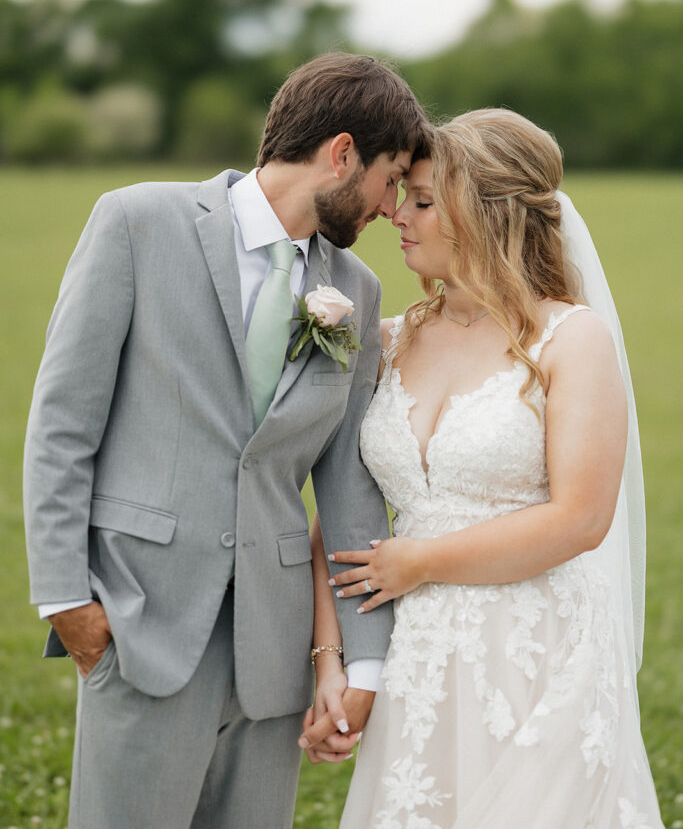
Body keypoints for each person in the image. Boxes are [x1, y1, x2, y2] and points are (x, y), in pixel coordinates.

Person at [23, 53, 432, 829]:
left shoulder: (355, 290)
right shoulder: (136, 222)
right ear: (341, 154)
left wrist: (361, 659)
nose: (388, 206)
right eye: (390, 177)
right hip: (139, 622)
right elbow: (62, 422)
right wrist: (65, 599)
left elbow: (350, 488)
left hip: (271, 652)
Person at [302, 109, 664, 827]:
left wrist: (422, 562)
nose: (398, 214)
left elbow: (581, 518)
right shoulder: (388, 340)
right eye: (405, 193)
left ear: (489, 215)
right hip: (420, 657)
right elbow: (338, 514)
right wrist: (331, 663)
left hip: (534, 651)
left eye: (425, 201)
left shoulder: (569, 339)